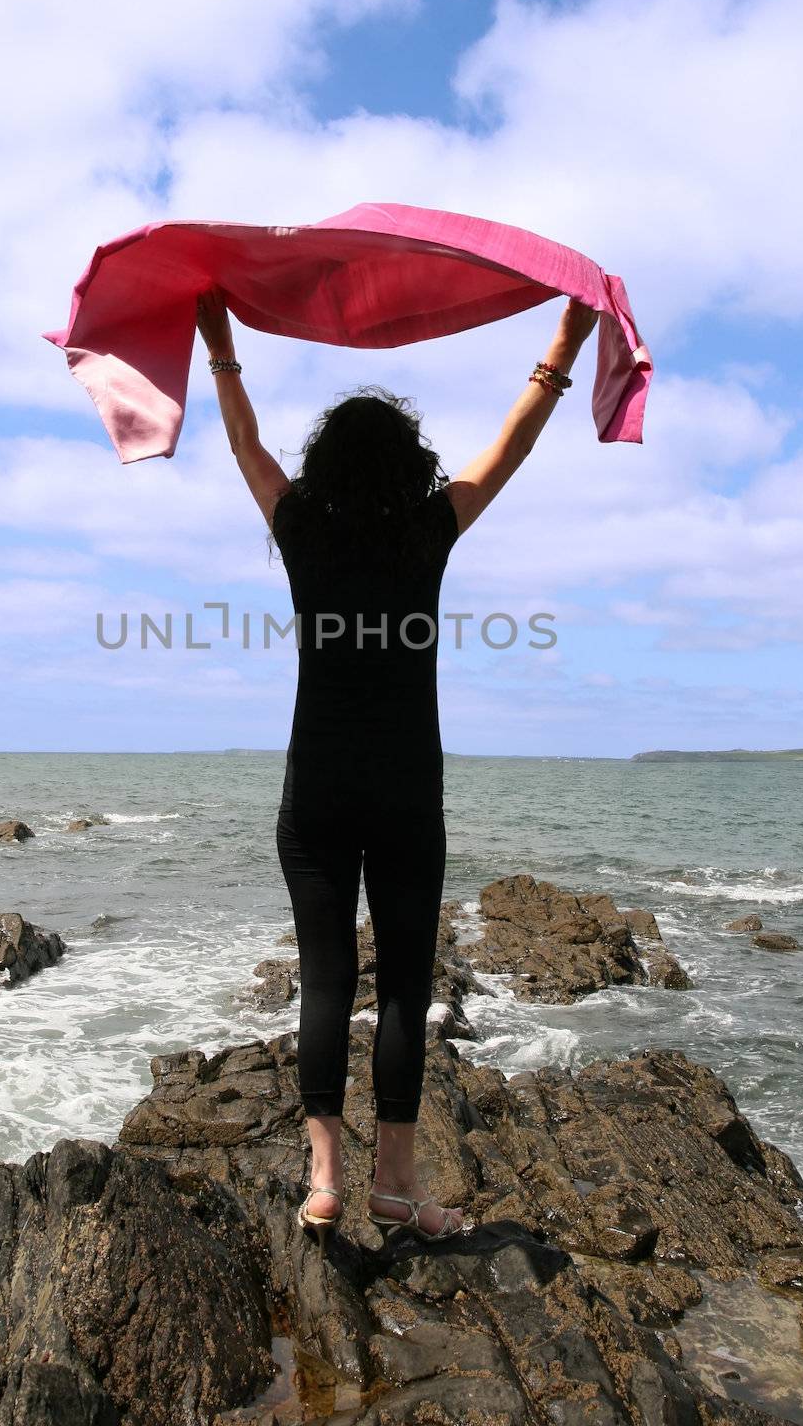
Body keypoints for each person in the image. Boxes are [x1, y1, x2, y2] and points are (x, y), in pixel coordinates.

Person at [195, 288, 600, 1251]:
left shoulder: (301, 528)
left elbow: (247, 447)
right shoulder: (429, 530)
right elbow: (513, 443)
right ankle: (397, 1185)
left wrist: (221, 348)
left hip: (317, 789)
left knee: (327, 980)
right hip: (409, 788)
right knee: (406, 989)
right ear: (407, 463)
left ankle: (325, 1180)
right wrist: (562, 342)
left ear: (328, 465)